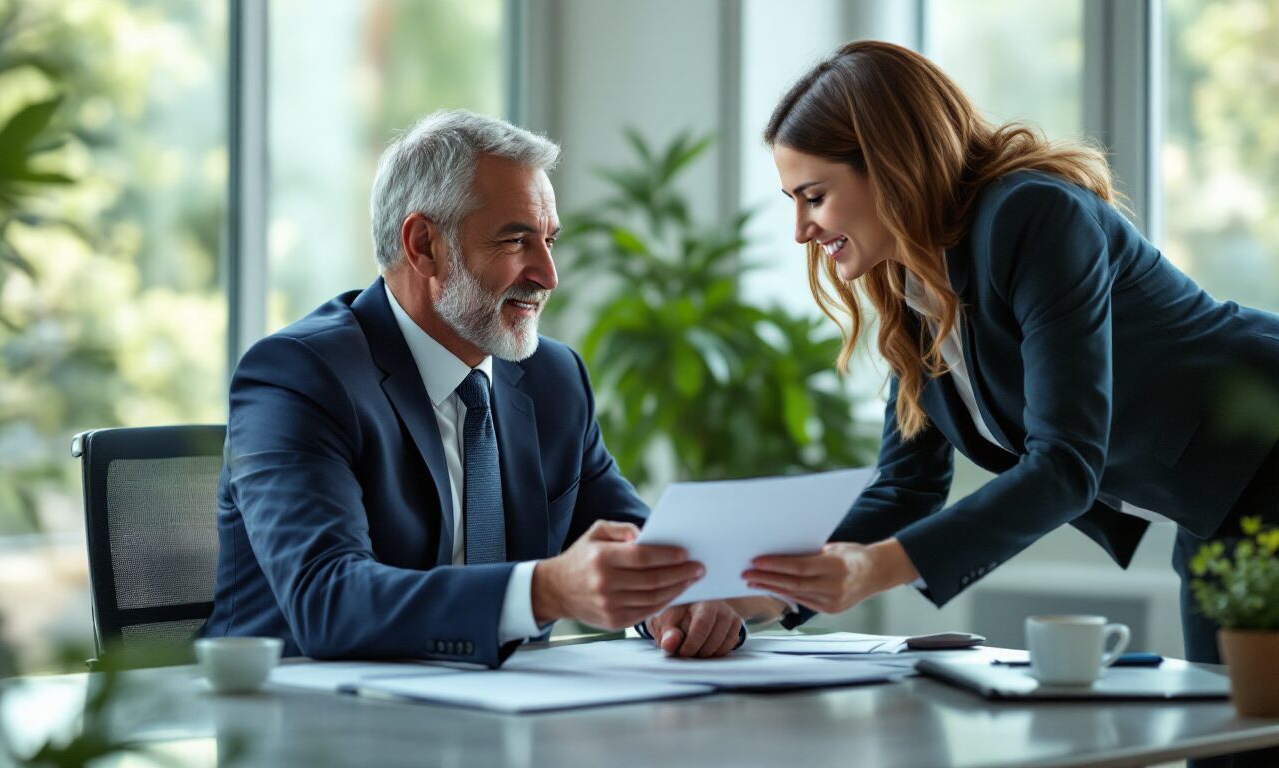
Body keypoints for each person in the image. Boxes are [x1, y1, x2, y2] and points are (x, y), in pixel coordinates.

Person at [747, 40, 1279, 689]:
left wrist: (874, 568)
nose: (801, 229)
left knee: (1240, 732)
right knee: (1230, 731)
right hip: (1221, 503)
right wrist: (756, 597)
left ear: (890, 167)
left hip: (1266, 451)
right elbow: (905, 489)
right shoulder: (914, 290)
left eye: (814, 196)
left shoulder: (1033, 216)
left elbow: (1064, 463)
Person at [204, 110, 785, 667]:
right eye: (515, 242)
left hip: (502, 723)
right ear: (423, 245)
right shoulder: (298, 375)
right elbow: (326, 600)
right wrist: (544, 590)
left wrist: (673, 600)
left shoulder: (552, 379)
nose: (547, 276)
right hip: (306, 727)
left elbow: (633, 544)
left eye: (549, 241)